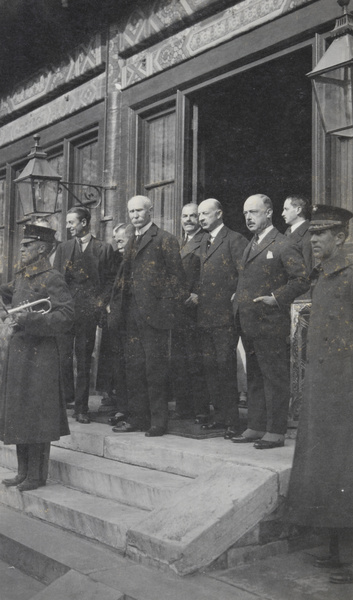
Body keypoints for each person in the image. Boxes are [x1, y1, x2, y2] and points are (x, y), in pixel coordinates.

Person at [286, 205, 353, 585]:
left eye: (321, 234)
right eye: (311, 234)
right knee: (328, 469)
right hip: (324, 389)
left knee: (346, 469)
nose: (312, 240)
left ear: (340, 237)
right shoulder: (324, 273)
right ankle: (336, 551)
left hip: (346, 390)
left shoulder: (350, 272)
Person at [0, 223, 74, 491]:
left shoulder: (52, 277)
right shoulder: (23, 275)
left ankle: (37, 475)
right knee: (20, 411)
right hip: (20, 352)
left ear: (41, 249)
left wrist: (28, 318)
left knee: (38, 414)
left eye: (26, 245)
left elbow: (66, 316)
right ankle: (23, 472)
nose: (21, 249)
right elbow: (10, 292)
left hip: (41, 355)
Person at [232, 194, 309, 448]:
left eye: (253, 212)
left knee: (274, 377)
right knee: (254, 376)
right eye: (245, 213)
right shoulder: (251, 244)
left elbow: (301, 279)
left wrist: (275, 298)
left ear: (269, 213)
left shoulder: (283, 244)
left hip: (270, 322)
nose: (248, 217)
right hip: (249, 322)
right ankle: (255, 426)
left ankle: (275, 432)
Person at [112, 195, 188, 437]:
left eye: (139, 211)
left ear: (150, 211)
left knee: (154, 369)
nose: (134, 216)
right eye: (131, 211)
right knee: (134, 367)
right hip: (130, 313)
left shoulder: (165, 239)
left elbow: (178, 280)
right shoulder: (131, 239)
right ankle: (139, 418)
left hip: (154, 316)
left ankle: (158, 421)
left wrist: (164, 310)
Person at [53, 206, 115, 424]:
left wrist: (99, 304)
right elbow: (56, 280)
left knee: (84, 360)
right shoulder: (63, 248)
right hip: (66, 312)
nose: (68, 226)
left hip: (88, 313)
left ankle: (81, 408)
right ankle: (65, 402)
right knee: (62, 357)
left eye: (72, 222)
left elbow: (110, 282)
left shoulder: (104, 249)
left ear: (85, 223)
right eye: (68, 222)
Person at [196, 198, 248, 436]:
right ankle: (219, 416)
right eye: (199, 214)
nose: (200, 218)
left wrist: (235, 301)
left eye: (205, 214)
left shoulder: (235, 239)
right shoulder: (205, 240)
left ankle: (232, 421)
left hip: (225, 316)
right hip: (206, 315)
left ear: (219, 213)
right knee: (210, 367)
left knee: (225, 367)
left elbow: (244, 275)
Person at [170, 203, 210, 422]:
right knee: (178, 361)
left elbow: (210, 272)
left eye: (193, 216)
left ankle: (201, 409)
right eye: (184, 216)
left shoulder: (205, 241)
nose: (188, 220)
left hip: (195, 309)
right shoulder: (177, 242)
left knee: (196, 361)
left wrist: (198, 294)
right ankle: (182, 406)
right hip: (176, 309)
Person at [97, 223, 134, 422]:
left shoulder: (135, 259)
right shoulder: (115, 259)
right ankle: (119, 403)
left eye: (121, 240)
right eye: (115, 240)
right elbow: (109, 283)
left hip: (131, 319)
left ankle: (127, 406)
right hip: (115, 318)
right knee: (116, 363)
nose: (117, 244)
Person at [282, 195, 313, 270]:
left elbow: (308, 269)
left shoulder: (309, 234)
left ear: (298, 210)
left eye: (286, 209)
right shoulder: (287, 232)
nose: (282, 214)